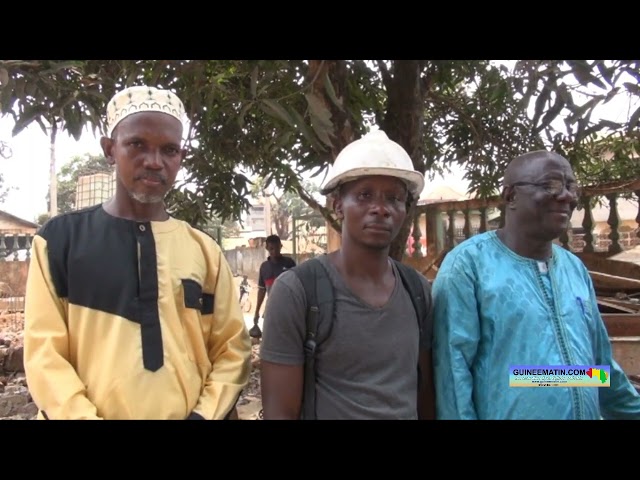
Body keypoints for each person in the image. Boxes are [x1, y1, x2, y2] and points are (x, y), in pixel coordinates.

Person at [23, 85, 252, 420]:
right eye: (137, 144)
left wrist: (203, 415)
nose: (154, 162)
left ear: (181, 158)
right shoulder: (59, 242)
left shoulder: (204, 251)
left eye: (169, 150)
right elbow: (45, 355)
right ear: (110, 149)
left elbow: (232, 349)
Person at [432, 149, 640, 420]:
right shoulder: (469, 266)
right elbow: (452, 375)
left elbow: (597, 369)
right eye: (550, 185)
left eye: (570, 186)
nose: (566, 195)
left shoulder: (574, 269)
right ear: (510, 196)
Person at [259, 130, 435, 420]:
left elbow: (429, 392)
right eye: (365, 195)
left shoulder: (417, 290)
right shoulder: (299, 291)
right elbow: (280, 411)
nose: (381, 209)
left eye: (394, 198)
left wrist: (535, 377)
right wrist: (530, 377)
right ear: (337, 205)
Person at [250, 234, 296, 338]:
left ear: (281, 246)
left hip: (289, 309)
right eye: (271, 248)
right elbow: (261, 290)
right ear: (266, 248)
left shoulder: (289, 263)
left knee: (289, 337)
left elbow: (297, 286)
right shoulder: (264, 267)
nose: (274, 251)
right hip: (271, 309)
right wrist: (257, 311)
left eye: (276, 248)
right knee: (272, 337)